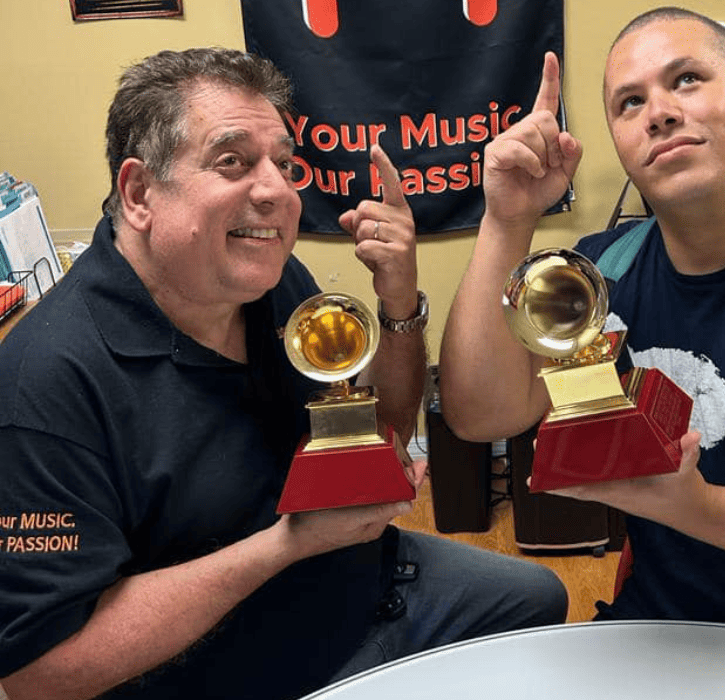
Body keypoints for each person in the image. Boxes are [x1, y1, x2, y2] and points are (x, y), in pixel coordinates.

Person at [0, 48, 567, 700]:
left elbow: (381, 426)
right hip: (239, 669)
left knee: (535, 598)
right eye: (233, 161)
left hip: (366, 584)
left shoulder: (275, 287)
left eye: (286, 165)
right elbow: (42, 672)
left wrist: (399, 302)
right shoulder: (41, 384)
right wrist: (285, 545)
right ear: (138, 193)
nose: (277, 191)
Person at [440, 6, 725, 652]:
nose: (657, 111)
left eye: (686, 79)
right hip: (662, 633)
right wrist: (506, 219)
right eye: (629, 102)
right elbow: (480, 414)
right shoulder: (602, 274)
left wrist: (699, 510)